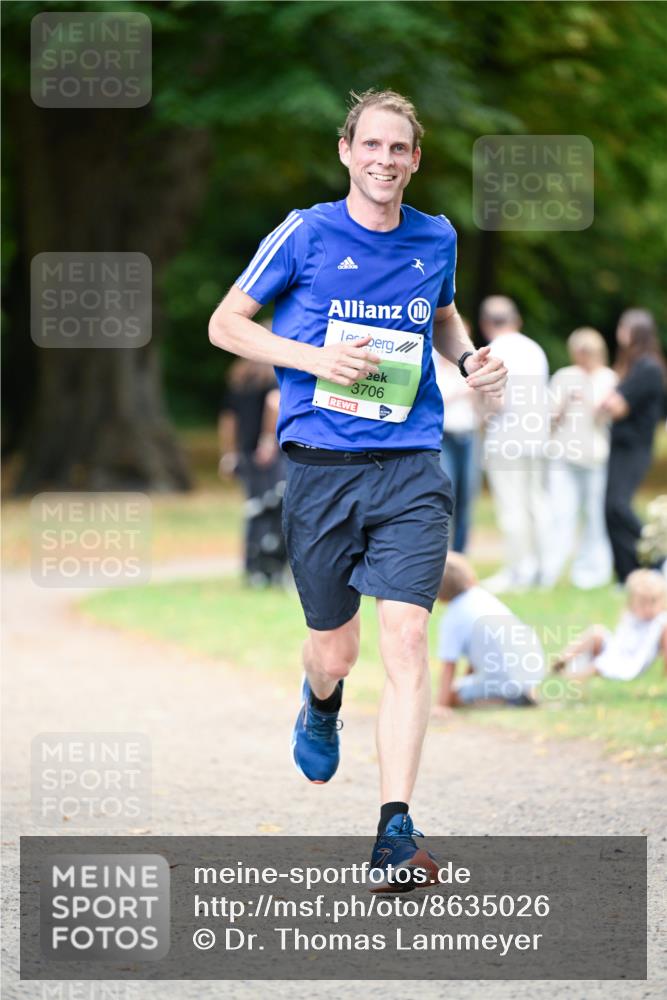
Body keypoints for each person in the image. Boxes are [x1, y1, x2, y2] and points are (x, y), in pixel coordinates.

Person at [208, 88, 507, 891]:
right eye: (370, 145)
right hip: (319, 468)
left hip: (411, 463)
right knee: (335, 650)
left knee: (407, 638)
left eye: (398, 149)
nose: (383, 160)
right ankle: (319, 700)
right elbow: (225, 323)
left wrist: (470, 356)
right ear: (346, 150)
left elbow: (440, 319)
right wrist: (311, 360)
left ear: (415, 160)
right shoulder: (304, 232)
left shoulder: (435, 236)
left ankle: (394, 831)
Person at [478, 296, 551, 593]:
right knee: (536, 503)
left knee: (512, 508)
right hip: (536, 436)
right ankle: (543, 568)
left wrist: (481, 416)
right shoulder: (535, 349)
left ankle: (517, 571)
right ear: (516, 319)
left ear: (485, 324)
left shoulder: (495, 351)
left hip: (506, 437)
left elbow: (497, 401)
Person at [545, 328, 617, 588]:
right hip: (564, 455)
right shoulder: (565, 376)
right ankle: (550, 571)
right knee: (561, 513)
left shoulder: (608, 378)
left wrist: (589, 402)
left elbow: (607, 417)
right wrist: (565, 404)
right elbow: (549, 417)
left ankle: (592, 572)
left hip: (595, 456)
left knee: (595, 515)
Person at [601, 311, 667, 582]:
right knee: (610, 508)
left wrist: (606, 403)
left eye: (623, 326)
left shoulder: (647, 367)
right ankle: (627, 572)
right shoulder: (634, 365)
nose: (620, 331)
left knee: (618, 506)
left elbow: (615, 407)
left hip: (635, 446)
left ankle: (660, 557)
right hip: (621, 445)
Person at [433, 553, 544, 712]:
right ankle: (523, 691)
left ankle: (504, 699)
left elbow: (449, 664)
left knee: (455, 694)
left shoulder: (452, 618)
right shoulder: (483, 597)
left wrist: (442, 704)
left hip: (504, 680)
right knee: (471, 681)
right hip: (532, 668)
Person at [218, 356, 287, 586]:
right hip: (268, 457)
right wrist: (268, 440)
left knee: (253, 510)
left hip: (246, 455)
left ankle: (252, 567)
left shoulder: (240, 382)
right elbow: (274, 403)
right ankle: (271, 567)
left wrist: (229, 453)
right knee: (274, 509)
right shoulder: (272, 380)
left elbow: (228, 420)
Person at [552, 569, 667, 680]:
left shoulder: (661, 623)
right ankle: (561, 660)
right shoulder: (630, 616)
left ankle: (573, 677)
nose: (648, 608)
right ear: (632, 603)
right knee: (596, 632)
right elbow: (620, 640)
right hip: (617, 652)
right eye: (642, 603)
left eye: (653, 602)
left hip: (632, 662)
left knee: (598, 666)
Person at [434, 321, 481, 553]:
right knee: (448, 491)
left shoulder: (468, 367)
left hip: (468, 435)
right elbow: (434, 402)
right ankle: (445, 548)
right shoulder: (433, 365)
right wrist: (460, 392)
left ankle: (461, 550)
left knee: (467, 494)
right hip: (444, 436)